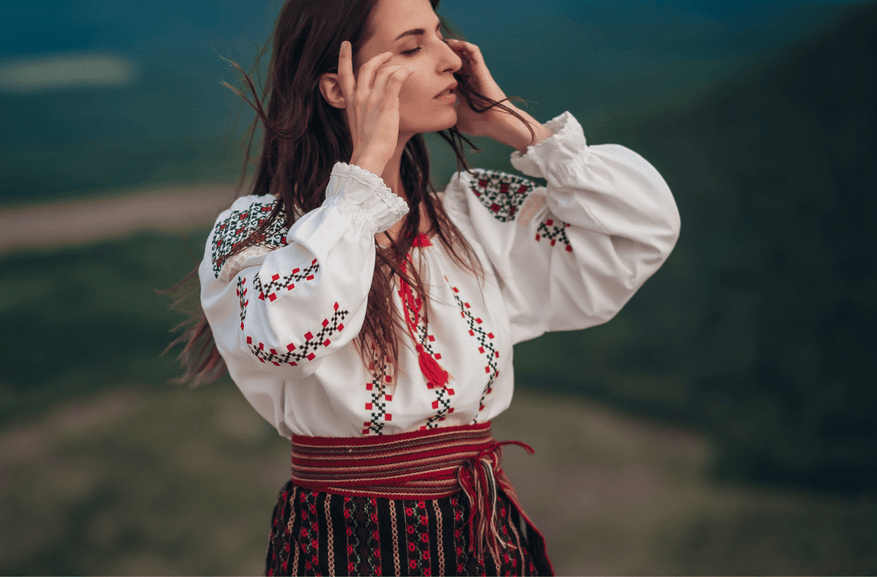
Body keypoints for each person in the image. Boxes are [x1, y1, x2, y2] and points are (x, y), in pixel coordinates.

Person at [169, 0, 680, 573]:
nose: (451, 61)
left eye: (441, 35)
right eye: (412, 47)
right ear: (339, 89)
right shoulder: (260, 234)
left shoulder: (471, 218)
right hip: (346, 542)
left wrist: (523, 130)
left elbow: (639, 232)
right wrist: (362, 176)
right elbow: (290, 338)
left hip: (485, 533)